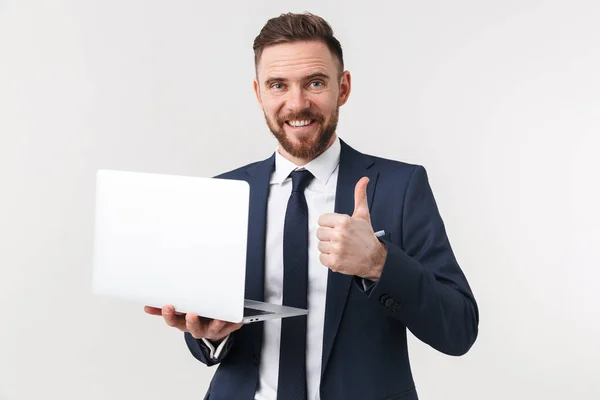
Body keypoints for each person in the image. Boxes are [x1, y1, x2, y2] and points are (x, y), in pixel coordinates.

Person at [144, 12, 479, 400]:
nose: (297, 103)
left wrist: (379, 263)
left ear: (344, 87)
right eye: (278, 85)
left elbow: (459, 330)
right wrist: (209, 336)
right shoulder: (224, 193)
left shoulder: (401, 188)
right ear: (258, 93)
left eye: (315, 83)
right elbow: (207, 322)